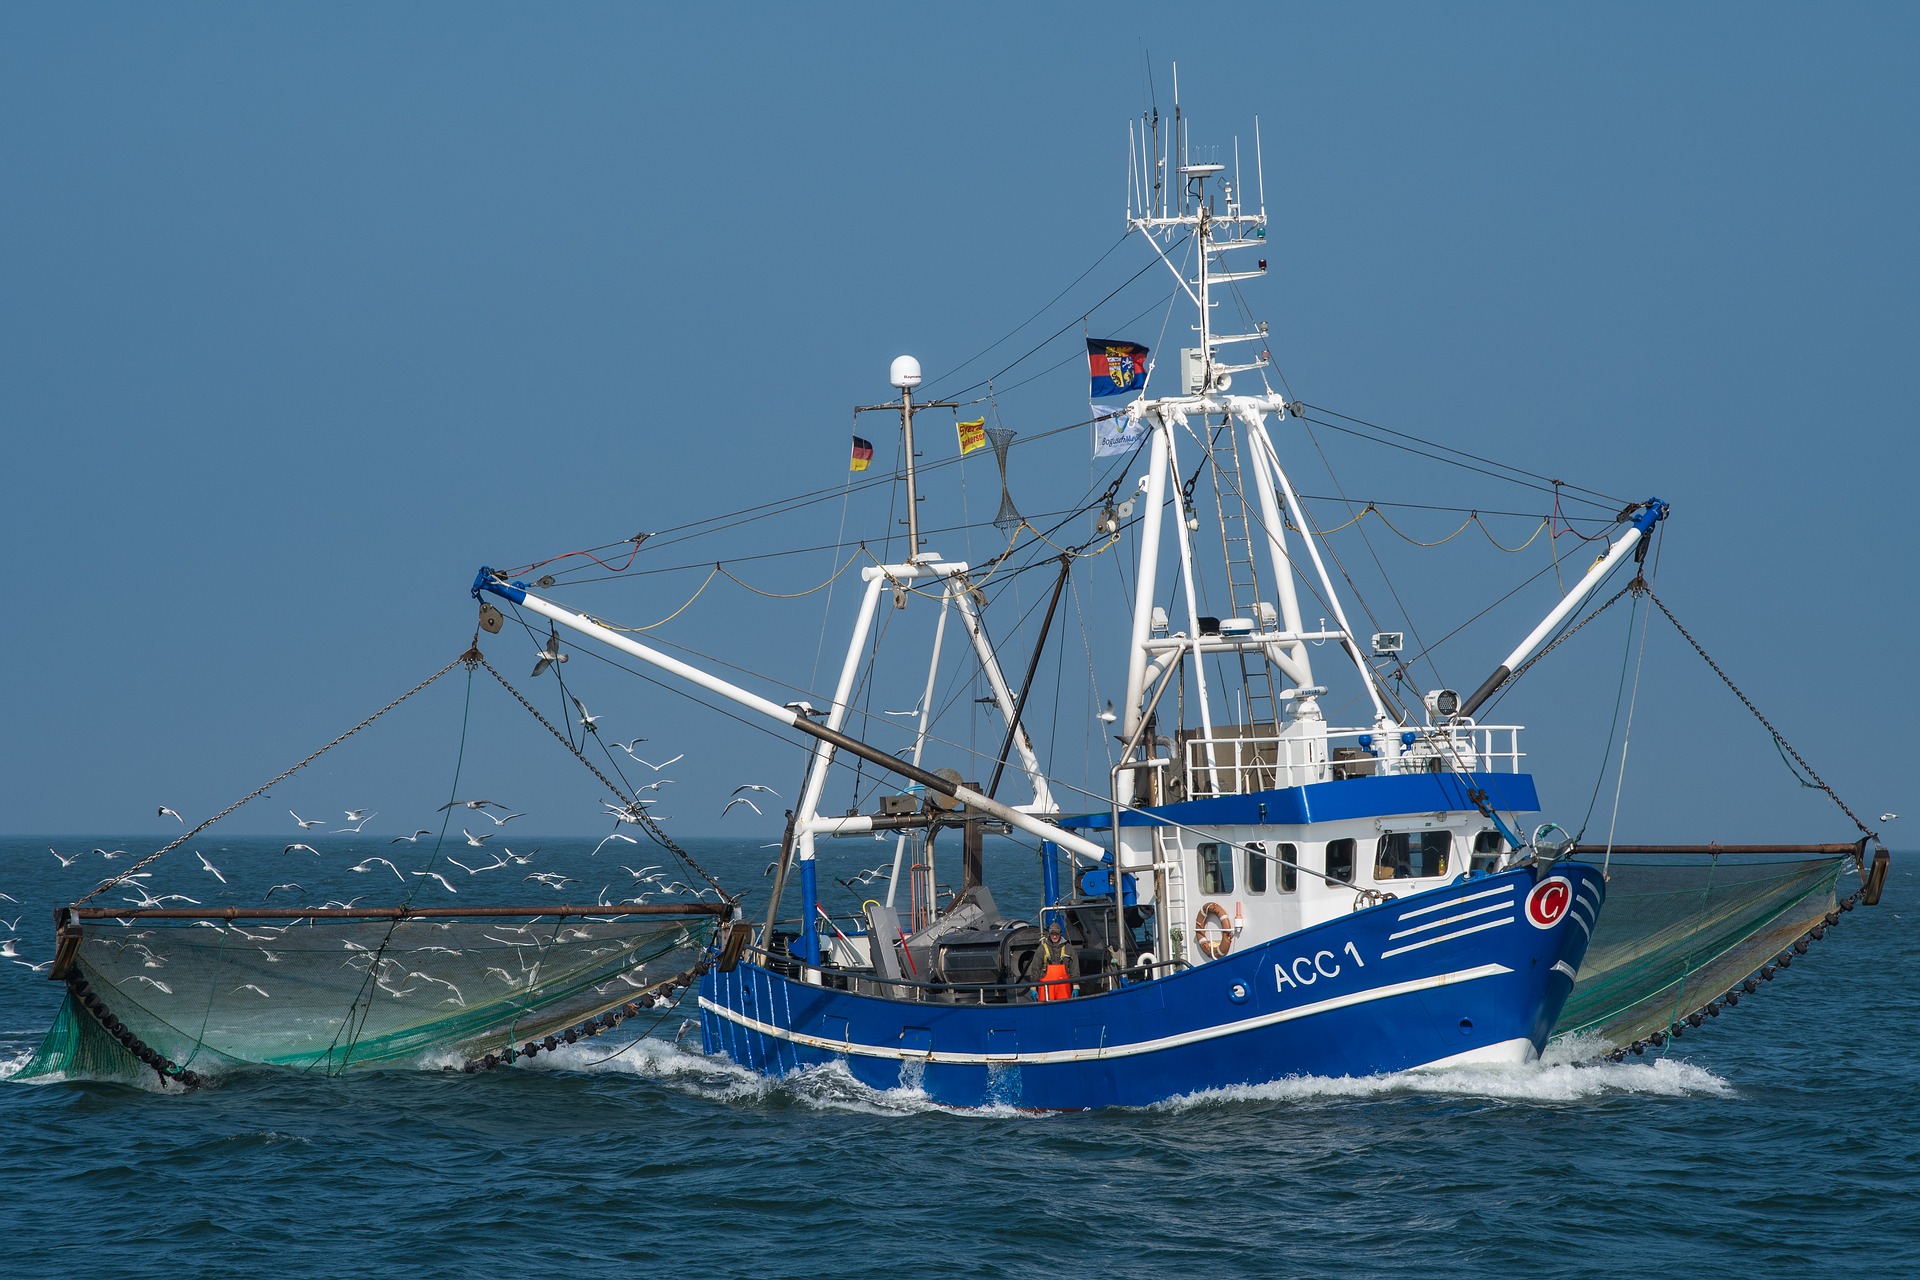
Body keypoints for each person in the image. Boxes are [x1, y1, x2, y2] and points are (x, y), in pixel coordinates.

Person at [1034, 919, 1077, 1002]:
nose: (1054, 936)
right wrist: (1033, 987)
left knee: (1064, 1008)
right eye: (1052, 934)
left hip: (1063, 988)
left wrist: (1076, 985)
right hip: (1046, 988)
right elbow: (1035, 968)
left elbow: (1074, 968)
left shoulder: (1069, 949)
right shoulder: (1041, 949)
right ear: (1049, 934)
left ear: (1060, 933)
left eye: (1056, 934)